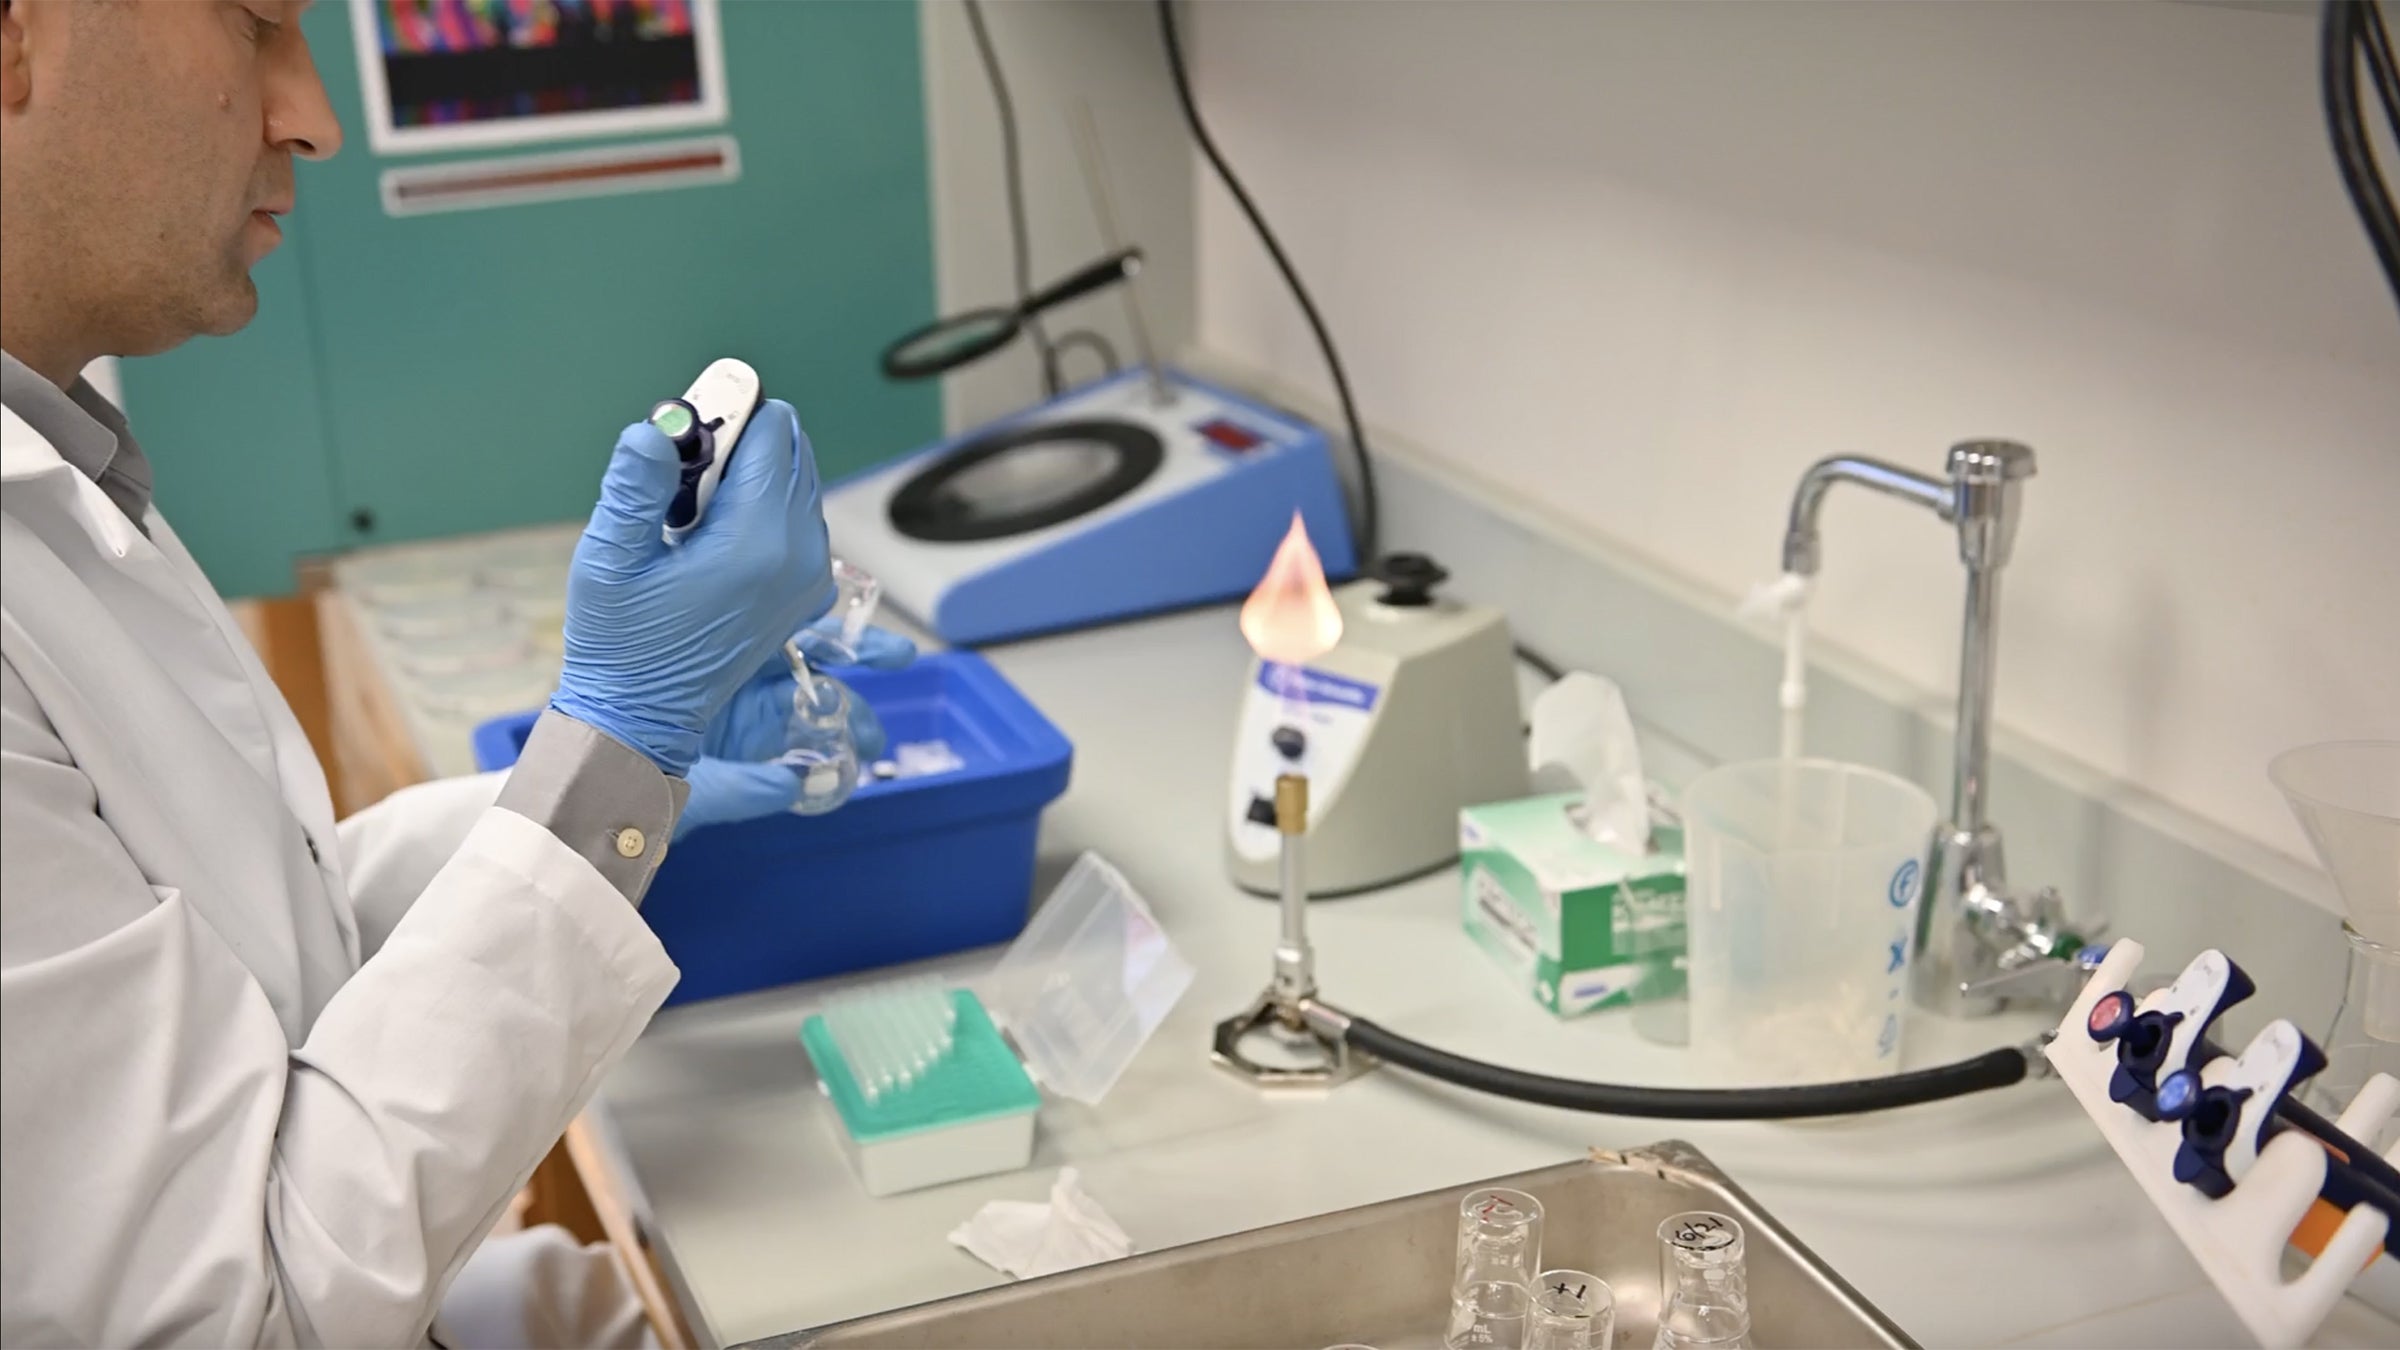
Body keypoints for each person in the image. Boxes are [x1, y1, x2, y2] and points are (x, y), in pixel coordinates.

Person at [0, 2, 904, 1344]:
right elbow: (236, 1310)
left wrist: (600, 782)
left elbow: (244, 953)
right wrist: (614, 751)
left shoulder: (56, 459)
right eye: (253, 24)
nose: (312, 115)